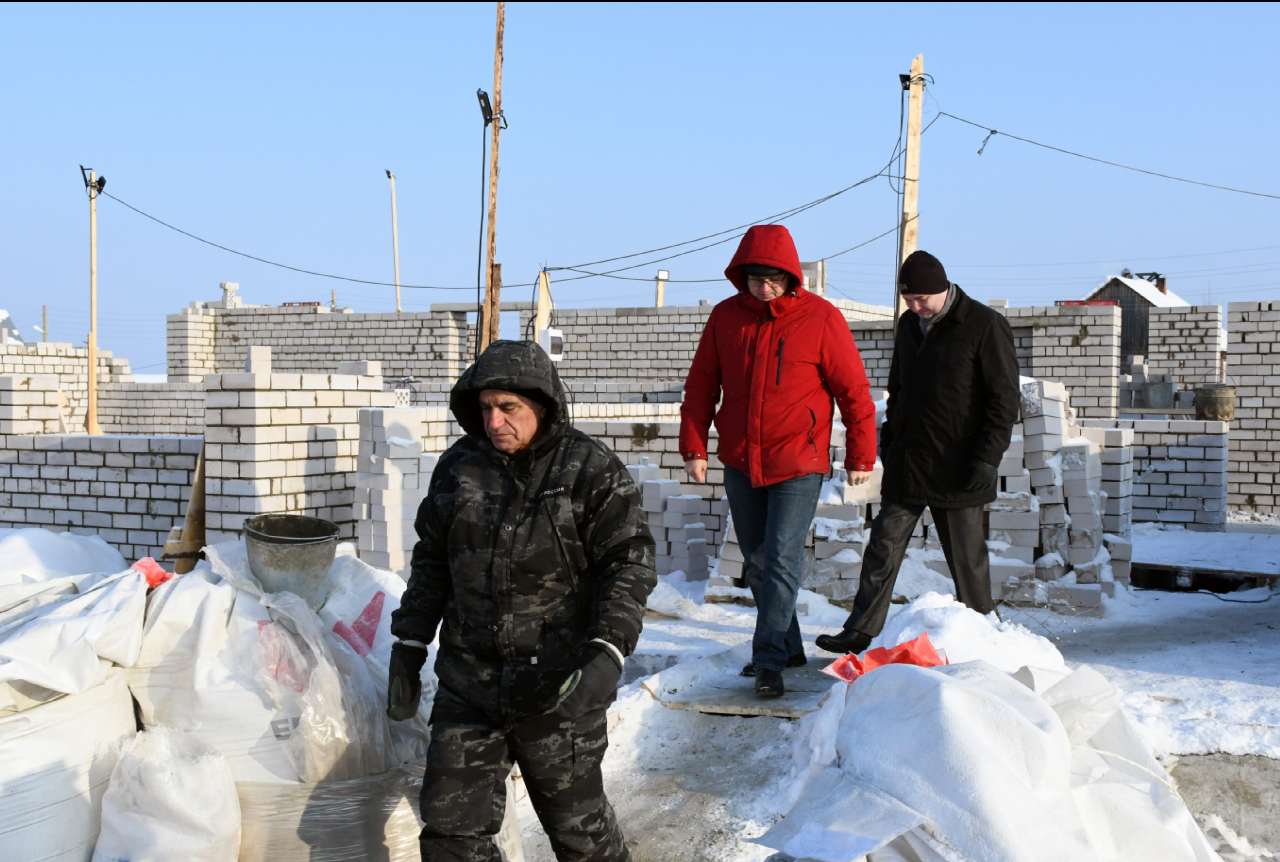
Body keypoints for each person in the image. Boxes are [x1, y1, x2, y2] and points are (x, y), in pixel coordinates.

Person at [388, 339, 656, 862]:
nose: (494, 421)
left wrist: (608, 650)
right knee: (450, 833)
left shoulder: (588, 469)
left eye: (508, 408)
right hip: (470, 684)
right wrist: (410, 640)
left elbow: (628, 563)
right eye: (486, 408)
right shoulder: (459, 468)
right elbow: (432, 559)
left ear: (542, 405)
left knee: (579, 835)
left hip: (558, 688)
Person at [680, 224, 878, 698]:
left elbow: (853, 391)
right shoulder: (726, 319)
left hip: (799, 458)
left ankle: (767, 660)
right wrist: (694, 446)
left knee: (783, 560)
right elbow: (702, 384)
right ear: (740, 276)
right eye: (754, 279)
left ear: (790, 276)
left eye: (773, 279)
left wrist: (861, 452)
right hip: (742, 459)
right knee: (758, 560)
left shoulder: (821, 318)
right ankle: (789, 648)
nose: (763, 288)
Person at [816, 250, 1020, 656]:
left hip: (960, 465)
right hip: (909, 461)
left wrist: (987, 459)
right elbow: (899, 390)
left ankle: (985, 640)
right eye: (908, 300)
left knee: (967, 561)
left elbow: (1003, 399)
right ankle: (859, 629)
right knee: (882, 548)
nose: (915, 307)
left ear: (944, 289)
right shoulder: (909, 325)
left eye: (922, 299)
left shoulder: (983, 324)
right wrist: (890, 444)